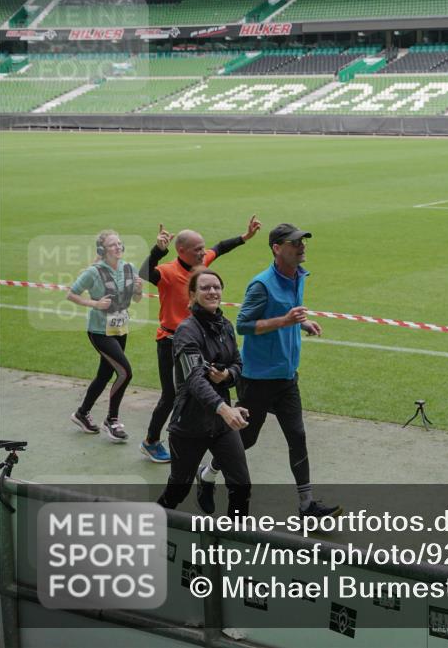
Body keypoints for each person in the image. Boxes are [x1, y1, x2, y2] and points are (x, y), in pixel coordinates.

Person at [197, 223, 341, 519]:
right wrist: (285, 321)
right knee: (247, 439)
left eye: (303, 241)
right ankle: (208, 473)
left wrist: (302, 322)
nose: (302, 246)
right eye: (295, 243)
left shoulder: (298, 276)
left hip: (287, 377)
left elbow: (289, 311)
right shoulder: (261, 284)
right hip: (257, 379)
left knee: (297, 436)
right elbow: (244, 325)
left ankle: (306, 505)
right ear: (277, 248)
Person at [138, 216, 261, 464]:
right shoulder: (167, 272)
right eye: (197, 249)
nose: (203, 252)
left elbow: (220, 248)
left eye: (202, 248)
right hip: (170, 341)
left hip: (198, 340)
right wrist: (157, 250)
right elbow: (144, 272)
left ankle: (208, 434)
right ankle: (151, 441)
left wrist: (245, 238)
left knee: (203, 388)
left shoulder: (203, 262)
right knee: (171, 394)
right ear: (180, 251)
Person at [157, 269, 251, 517]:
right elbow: (195, 380)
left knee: (242, 486)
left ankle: (229, 545)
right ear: (192, 295)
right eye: (205, 288)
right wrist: (225, 409)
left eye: (216, 287)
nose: (212, 292)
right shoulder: (186, 331)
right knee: (178, 490)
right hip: (189, 427)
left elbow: (239, 364)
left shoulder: (226, 326)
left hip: (221, 426)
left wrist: (228, 375)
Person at [67, 230, 143, 442]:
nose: (118, 247)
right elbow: (71, 293)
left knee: (104, 375)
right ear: (102, 250)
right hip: (99, 331)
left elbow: (136, 300)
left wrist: (139, 290)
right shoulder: (93, 272)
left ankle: (82, 413)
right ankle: (112, 419)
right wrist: (95, 304)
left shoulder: (129, 268)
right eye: (112, 245)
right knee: (125, 373)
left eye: (120, 243)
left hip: (120, 329)